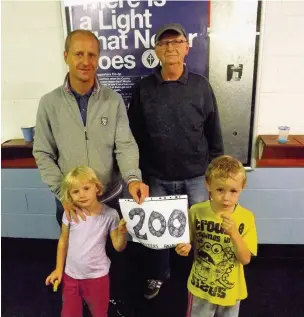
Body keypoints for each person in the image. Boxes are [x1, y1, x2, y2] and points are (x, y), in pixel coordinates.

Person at [33, 29, 149, 316]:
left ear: (98, 58)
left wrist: (133, 177)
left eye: (92, 54)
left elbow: (125, 144)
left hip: (109, 196)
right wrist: (63, 193)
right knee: (76, 254)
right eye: (79, 54)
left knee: (112, 253)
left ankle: (109, 302)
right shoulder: (49, 103)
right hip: (69, 199)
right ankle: (76, 300)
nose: (86, 61)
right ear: (66, 57)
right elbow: (43, 153)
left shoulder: (113, 100)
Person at [128, 23, 224, 299]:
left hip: (196, 175)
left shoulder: (201, 86)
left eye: (177, 42)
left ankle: (205, 273)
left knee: (203, 229)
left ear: (187, 47)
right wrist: (140, 174)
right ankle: (159, 276)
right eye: (164, 43)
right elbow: (134, 134)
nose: (171, 47)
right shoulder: (144, 88)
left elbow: (213, 129)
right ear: (156, 50)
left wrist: (215, 172)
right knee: (159, 236)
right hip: (157, 177)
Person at [176, 155, 258, 317]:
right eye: (220, 189)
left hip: (231, 289)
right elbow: (187, 240)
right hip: (201, 287)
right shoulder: (196, 211)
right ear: (208, 185)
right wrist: (183, 247)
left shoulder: (247, 218)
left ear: (243, 187)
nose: (226, 198)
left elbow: (245, 259)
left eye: (233, 191)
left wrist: (234, 234)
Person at [45, 166, 128, 317]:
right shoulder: (69, 214)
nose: (82, 195)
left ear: (96, 187)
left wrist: (122, 234)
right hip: (71, 276)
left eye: (86, 188)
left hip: (97, 277)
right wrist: (58, 269)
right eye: (75, 191)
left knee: (99, 313)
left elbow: (118, 247)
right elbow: (63, 240)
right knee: (69, 313)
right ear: (69, 195)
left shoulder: (110, 214)